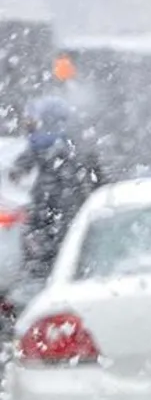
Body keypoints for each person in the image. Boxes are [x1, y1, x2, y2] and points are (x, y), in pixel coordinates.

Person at [10, 96, 107, 280]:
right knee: (69, 245)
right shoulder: (73, 143)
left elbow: (19, 168)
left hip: (47, 204)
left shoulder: (39, 143)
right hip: (71, 204)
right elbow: (94, 171)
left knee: (44, 247)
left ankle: (43, 273)